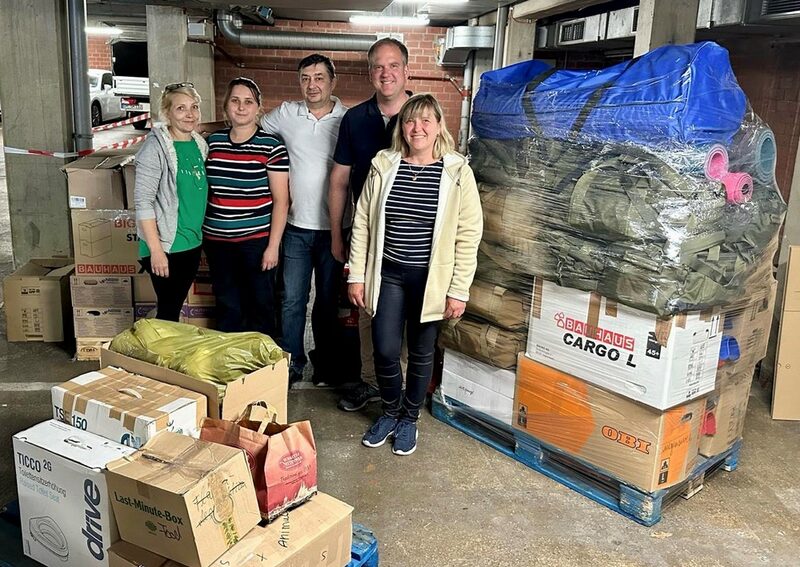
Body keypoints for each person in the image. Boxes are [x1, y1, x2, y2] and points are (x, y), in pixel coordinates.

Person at [347, 93, 482, 456]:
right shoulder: (384, 165)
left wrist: (459, 290)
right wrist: (356, 275)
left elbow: (469, 234)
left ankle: (409, 418)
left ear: (439, 126)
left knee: (422, 352)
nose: (417, 128)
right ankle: (390, 411)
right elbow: (362, 222)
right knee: (386, 347)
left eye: (425, 121)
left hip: (431, 278)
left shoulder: (457, 173)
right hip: (388, 273)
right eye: (410, 120)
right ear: (401, 127)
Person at [330, 37, 412, 411]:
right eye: (378, 66)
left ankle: (405, 385)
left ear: (406, 70)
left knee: (409, 314)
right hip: (367, 232)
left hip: (413, 233)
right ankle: (368, 381)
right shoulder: (354, 119)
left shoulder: (422, 116)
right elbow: (339, 180)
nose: (386, 73)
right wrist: (337, 233)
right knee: (366, 306)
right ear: (370, 74)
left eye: (393, 65)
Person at [260, 54, 348, 386]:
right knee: (292, 299)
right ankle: (292, 360)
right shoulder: (285, 114)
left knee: (327, 303)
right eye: (306, 78)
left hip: (335, 229)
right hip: (295, 226)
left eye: (319, 78)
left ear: (332, 81)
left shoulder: (347, 119)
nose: (312, 85)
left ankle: (324, 363)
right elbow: (252, 129)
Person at [203, 77, 290, 334]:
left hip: (256, 241)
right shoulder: (212, 143)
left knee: (260, 305)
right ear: (226, 106)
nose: (241, 107)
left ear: (258, 108)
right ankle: (232, 365)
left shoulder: (272, 147)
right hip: (217, 242)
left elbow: (282, 201)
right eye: (235, 101)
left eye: (248, 102)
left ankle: (263, 369)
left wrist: (273, 247)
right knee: (228, 305)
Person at [134, 83, 208, 322]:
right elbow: (143, 202)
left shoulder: (199, 144)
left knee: (172, 307)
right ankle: (159, 358)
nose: (190, 114)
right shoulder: (154, 149)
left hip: (192, 242)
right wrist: (156, 251)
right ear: (167, 113)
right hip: (166, 245)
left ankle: (163, 351)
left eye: (194, 107)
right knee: (169, 310)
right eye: (181, 108)